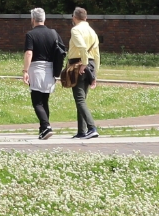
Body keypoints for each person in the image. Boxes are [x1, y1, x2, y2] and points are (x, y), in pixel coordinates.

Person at [21, 7, 65, 141]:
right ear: (44, 19)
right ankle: (43, 130)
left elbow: (29, 53)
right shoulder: (53, 33)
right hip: (50, 69)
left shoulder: (31, 34)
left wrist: (25, 71)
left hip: (36, 69)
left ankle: (46, 126)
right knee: (45, 101)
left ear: (33, 19)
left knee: (37, 102)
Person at [65, 7, 101, 140]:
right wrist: (94, 73)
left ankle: (92, 128)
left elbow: (81, 47)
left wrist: (84, 64)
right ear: (85, 17)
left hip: (79, 64)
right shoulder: (92, 32)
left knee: (79, 99)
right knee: (82, 99)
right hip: (90, 64)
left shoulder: (75, 30)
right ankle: (82, 131)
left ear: (74, 17)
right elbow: (97, 55)